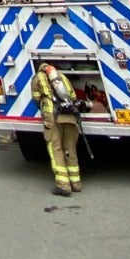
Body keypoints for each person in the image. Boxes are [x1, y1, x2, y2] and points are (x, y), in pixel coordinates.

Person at [30, 62, 87, 196]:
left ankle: (63, 186)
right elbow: (72, 96)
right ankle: (76, 183)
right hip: (70, 116)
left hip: (53, 118)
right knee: (70, 149)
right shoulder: (62, 76)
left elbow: (37, 98)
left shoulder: (38, 78)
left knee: (56, 149)